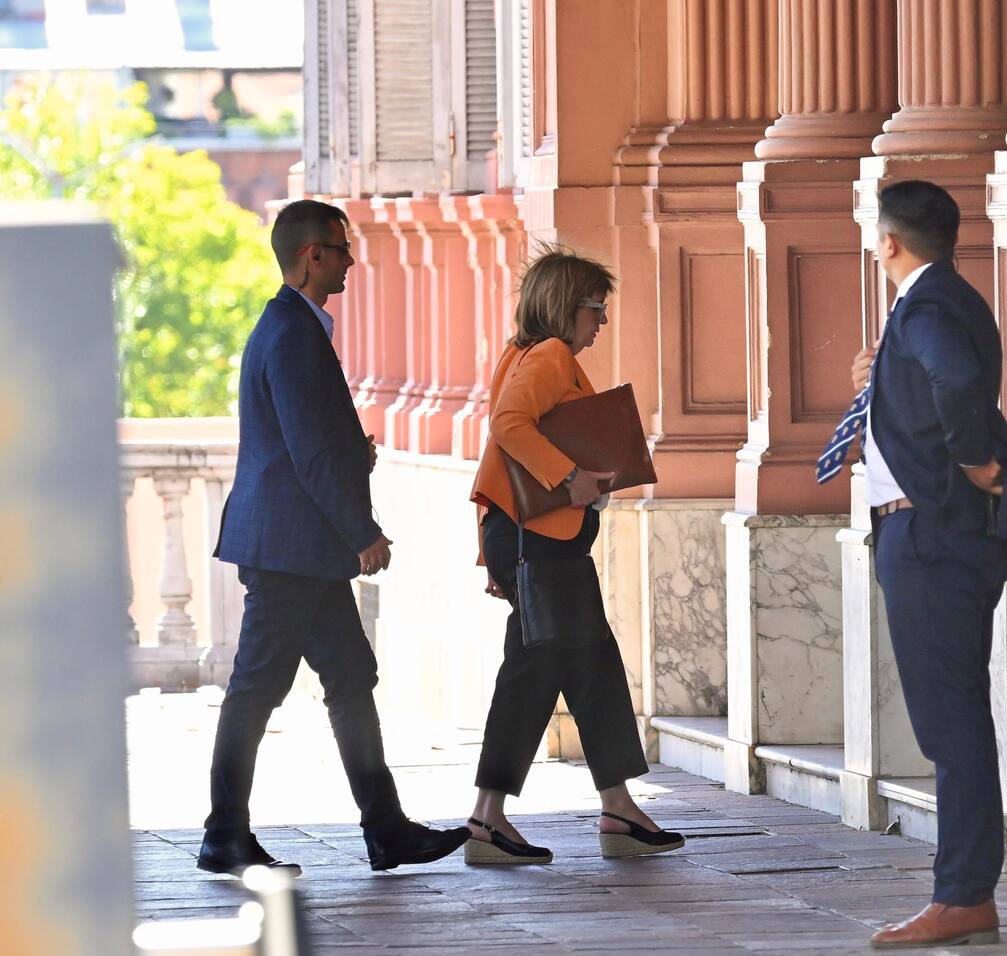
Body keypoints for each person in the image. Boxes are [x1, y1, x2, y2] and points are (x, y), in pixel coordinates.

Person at [199, 199, 470, 877]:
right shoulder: (291, 333)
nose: (352, 259)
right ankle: (224, 834)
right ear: (312, 255)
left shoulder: (294, 326)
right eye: (343, 248)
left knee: (349, 677)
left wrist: (357, 454)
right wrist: (363, 532)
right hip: (294, 548)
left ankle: (386, 830)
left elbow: (317, 440)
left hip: (299, 547)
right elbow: (307, 452)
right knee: (255, 689)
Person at [818, 181, 1007, 948]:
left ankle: (962, 895)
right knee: (952, 720)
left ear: (888, 242)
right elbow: (933, 381)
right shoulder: (942, 298)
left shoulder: (925, 307)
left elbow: (953, 380)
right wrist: (881, 380)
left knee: (950, 725)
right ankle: (964, 891)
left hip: (929, 539)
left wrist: (976, 458)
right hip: (936, 537)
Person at [465, 247, 684, 864]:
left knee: (585, 663)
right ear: (567, 307)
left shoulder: (526, 354)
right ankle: (491, 819)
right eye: (596, 309)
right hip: (541, 542)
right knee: (542, 669)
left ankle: (615, 808)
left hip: (530, 540)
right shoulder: (552, 356)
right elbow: (508, 427)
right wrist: (570, 479)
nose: (602, 323)